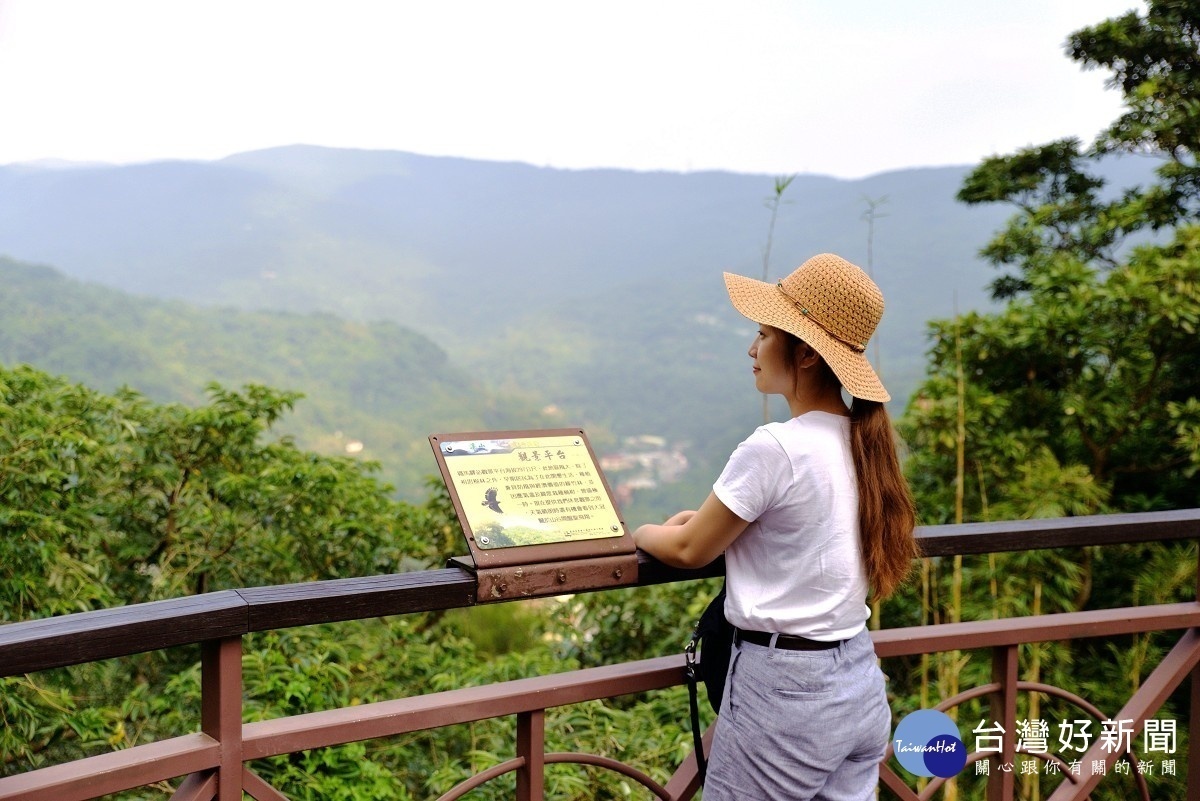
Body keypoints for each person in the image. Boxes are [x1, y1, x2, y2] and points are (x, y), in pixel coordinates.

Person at [633, 252, 918, 801]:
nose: (752, 348)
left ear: (806, 352)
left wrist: (642, 533)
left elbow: (690, 549)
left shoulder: (777, 446)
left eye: (763, 334)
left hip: (785, 696)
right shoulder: (863, 445)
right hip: (856, 678)